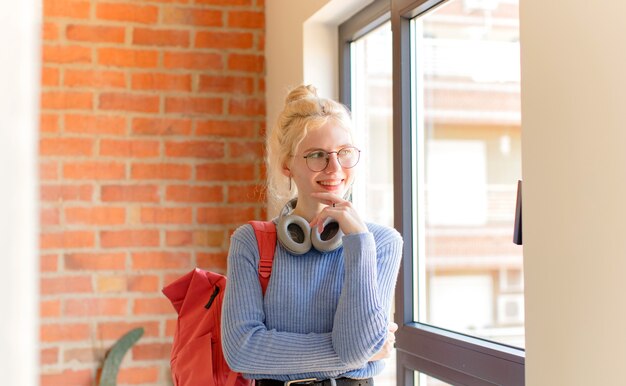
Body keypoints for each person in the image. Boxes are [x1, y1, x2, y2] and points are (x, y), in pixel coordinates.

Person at [221, 84, 403, 385]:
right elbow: (242, 352)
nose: (334, 168)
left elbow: (355, 346)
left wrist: (358, 241)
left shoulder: (379, 243)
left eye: (344, 153)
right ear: (287, 164)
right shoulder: (250, 242)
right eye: (317, 155)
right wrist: (358, 355)